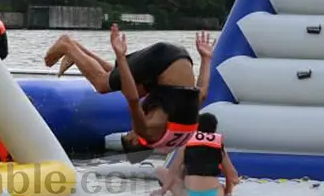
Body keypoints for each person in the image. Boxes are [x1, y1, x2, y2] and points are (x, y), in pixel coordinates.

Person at [44, 25, 215, 152]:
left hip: (180, 59)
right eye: (129, 134)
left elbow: (202, 93)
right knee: (102, 85)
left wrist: (206, 58)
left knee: (119, 80)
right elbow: (132, 98)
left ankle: (77, 51)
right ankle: (67, 45)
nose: (130, 131)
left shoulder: (181, 131)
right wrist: (121, 56)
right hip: (162, 60)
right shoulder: (146, 132)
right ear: (135, 141)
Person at [152, 112, 240, 196]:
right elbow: (232, 175)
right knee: (217, 183)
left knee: (159, 170)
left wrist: (163, 190)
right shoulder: (218, 145)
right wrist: (227, 191)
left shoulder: (186, 144)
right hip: (215, 194)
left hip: (191, 195)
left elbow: (172, 172)